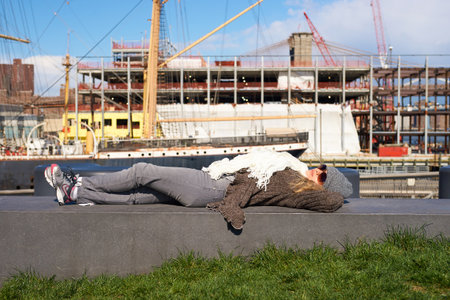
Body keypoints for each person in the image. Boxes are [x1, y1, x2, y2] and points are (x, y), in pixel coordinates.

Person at [45, 150, 352, 229]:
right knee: (140, 197)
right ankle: (76, 196)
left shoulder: (298, 187)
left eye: (325, 176)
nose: (318, 172)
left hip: (212, 187)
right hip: (215, 184)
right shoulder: (293, 170)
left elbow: (333, 202)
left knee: (142, 172)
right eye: (322, 168)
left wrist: (331, 191)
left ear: (324, 186)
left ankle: (80, 183)